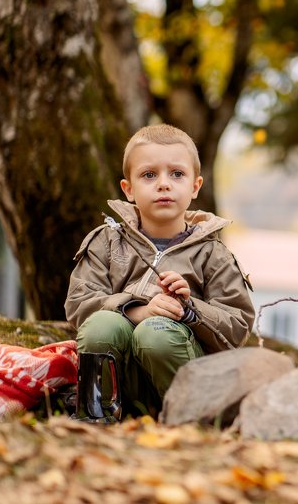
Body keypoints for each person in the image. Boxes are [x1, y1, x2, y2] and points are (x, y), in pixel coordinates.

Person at [65, 124, 255, 418]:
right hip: (123, 378)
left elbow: (237, 327)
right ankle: (97, 416)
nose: (164, 184)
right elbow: (79, 304)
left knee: (156, 333)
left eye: (177, 174)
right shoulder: (106, 242)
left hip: (179, 371)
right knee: (102, 326)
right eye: (149, 175)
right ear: (128, 189)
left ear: (195, 186)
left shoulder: (213, 254)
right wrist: (136, 310)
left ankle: (189, 419)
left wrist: (189, 310)